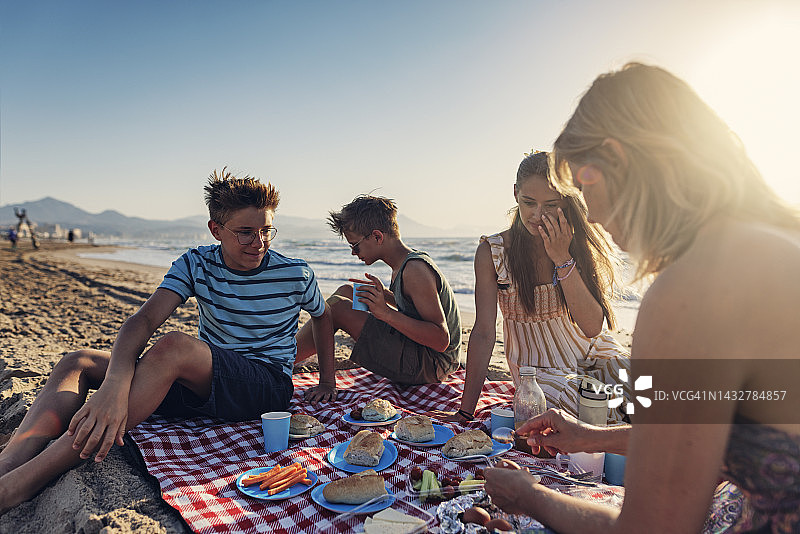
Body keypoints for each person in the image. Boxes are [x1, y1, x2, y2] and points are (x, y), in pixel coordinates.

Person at [484, 63, 800, 533]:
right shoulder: (769, 243)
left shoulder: (691, 292)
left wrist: (532, 498)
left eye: (584, 187)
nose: (587, 212)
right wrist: (590, 435)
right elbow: (696, 419)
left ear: (619, 160)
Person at [0, 169, 335, 513]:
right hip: (204, 386)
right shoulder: (196, 263)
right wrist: (114, 386)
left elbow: (323, 317)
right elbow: (143, 320)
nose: (259, 242)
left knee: (174, 346)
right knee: (78, 362)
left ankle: (21, 483)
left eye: (267, 230)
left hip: (264, 388)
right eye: (245, 233)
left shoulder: (295, 272)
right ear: (216, 230)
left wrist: (327, 379)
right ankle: (9, 462)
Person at [444, 151, 631, 424]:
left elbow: (592, 327)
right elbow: (484, 333)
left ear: (565, 202)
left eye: (551, 204)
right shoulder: (493, 253)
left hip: (591, 353)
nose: (538, 215)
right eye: (529, 202)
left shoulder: (573, 242)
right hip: (539, 373)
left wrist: (561, 257)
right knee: (595, 408)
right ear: (515, 193)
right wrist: (465, 411)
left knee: (639, 385)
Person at [297, 194, 462, 401]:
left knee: (338, 308)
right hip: (423, 355)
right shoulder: (404, 265)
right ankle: (287, 356)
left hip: (432, 366)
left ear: (377, 236)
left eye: (355, 246)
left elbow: (440, 339)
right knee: (348, 291)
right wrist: (387, 296)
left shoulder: (414, 270)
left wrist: (385, 313)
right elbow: (415, 308)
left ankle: (322, 381)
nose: (353, 253)